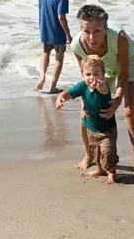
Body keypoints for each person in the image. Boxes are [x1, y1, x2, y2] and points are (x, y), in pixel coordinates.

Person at [70, 4, 134, 181]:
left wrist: (118, 100)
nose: (91, 37)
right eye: (86, 31)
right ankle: (89, 156)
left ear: (105, 27)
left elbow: (124, 73)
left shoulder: (119, 37)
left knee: (131, 109)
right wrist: (85, 103)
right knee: (85, 114)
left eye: (97, 30)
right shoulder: (77, 45)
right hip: (99, 70)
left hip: (129, 64)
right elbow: (85, 76)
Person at [55, 55, 119, 183]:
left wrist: (101, 87)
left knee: (108, 153)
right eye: (88, 74)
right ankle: (100, 169)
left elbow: (105, 90)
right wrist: (60, 98)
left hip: (107, 130)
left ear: (103, 74)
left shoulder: (103, 87)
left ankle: (111, 172)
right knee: (96, 152)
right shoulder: (82, 86)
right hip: (91, 127)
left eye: (96, 74)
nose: (92, 77)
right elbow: (68, 93)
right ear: (82, 75)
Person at [35, 0, 73, 93]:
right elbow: (61, 17)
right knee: (59, 58)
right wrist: (69, 35)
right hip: (57, 31)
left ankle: (42, 77)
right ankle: (53, 87)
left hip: (45, 28)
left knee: (45, 53)